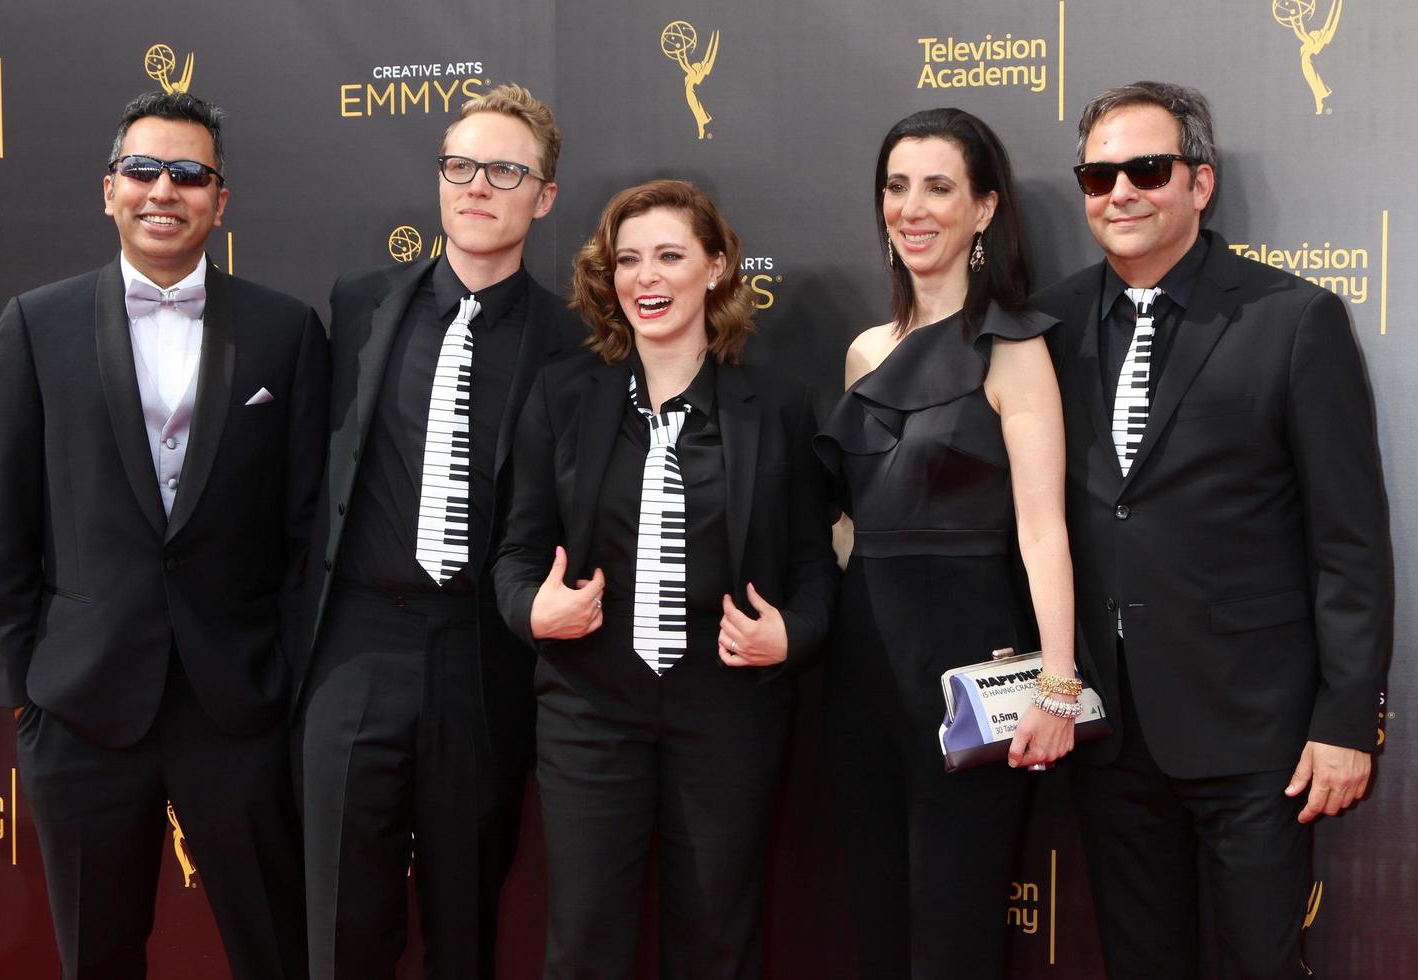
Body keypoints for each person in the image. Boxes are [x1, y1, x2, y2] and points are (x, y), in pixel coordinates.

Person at [1035, 80, 1391, 979]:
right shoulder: (1049, 325)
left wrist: (1346, 719)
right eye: (1098, 174)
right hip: (1109, 731)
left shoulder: (1294, 320)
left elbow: (1348, 541)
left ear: (1201, 182)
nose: (1120, 192)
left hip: (1257, 736)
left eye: (1146, 169)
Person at [0, 90, 326, 979]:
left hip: (237, 705)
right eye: (144, 169)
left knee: (276, 952)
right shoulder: (34, 326)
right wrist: (24, 692)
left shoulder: (286, 332)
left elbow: (309, 523)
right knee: (99, 956)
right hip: (82, 709)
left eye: (190, 173)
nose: (164, 189)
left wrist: (282, 669)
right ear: (109, 189)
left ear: (219, 199)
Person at [491, 178, 838, 978]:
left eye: (670, 256)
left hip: (727, 713)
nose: (646, 278)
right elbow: (515, 554)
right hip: (588, 710)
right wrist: (532, 612)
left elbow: (815, 570)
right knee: (582, 945)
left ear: (714, 268)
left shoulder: (777, 407)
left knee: (718, 942)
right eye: (628, 261)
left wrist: (790, 635)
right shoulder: (563, 395)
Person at [293, 83, 585, 979]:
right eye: (460, 165)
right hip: (356, 642)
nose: (476, 186)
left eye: (504, 170)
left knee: (465, 923)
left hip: (481, 651)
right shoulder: (360, 304)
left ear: (544, 196)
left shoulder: (573, 344)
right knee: (342, 924)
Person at [815, 108, 1078, 980]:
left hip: (966, 665)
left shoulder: (1012, 348)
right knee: (876, 918)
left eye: (938, 187)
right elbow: (848, 526)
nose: (912, 207)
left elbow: (1043, 529)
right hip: (860, 667)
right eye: (896, 186)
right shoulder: (864, 352)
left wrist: (1057, 681)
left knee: (954, 928)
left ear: (985, 209)